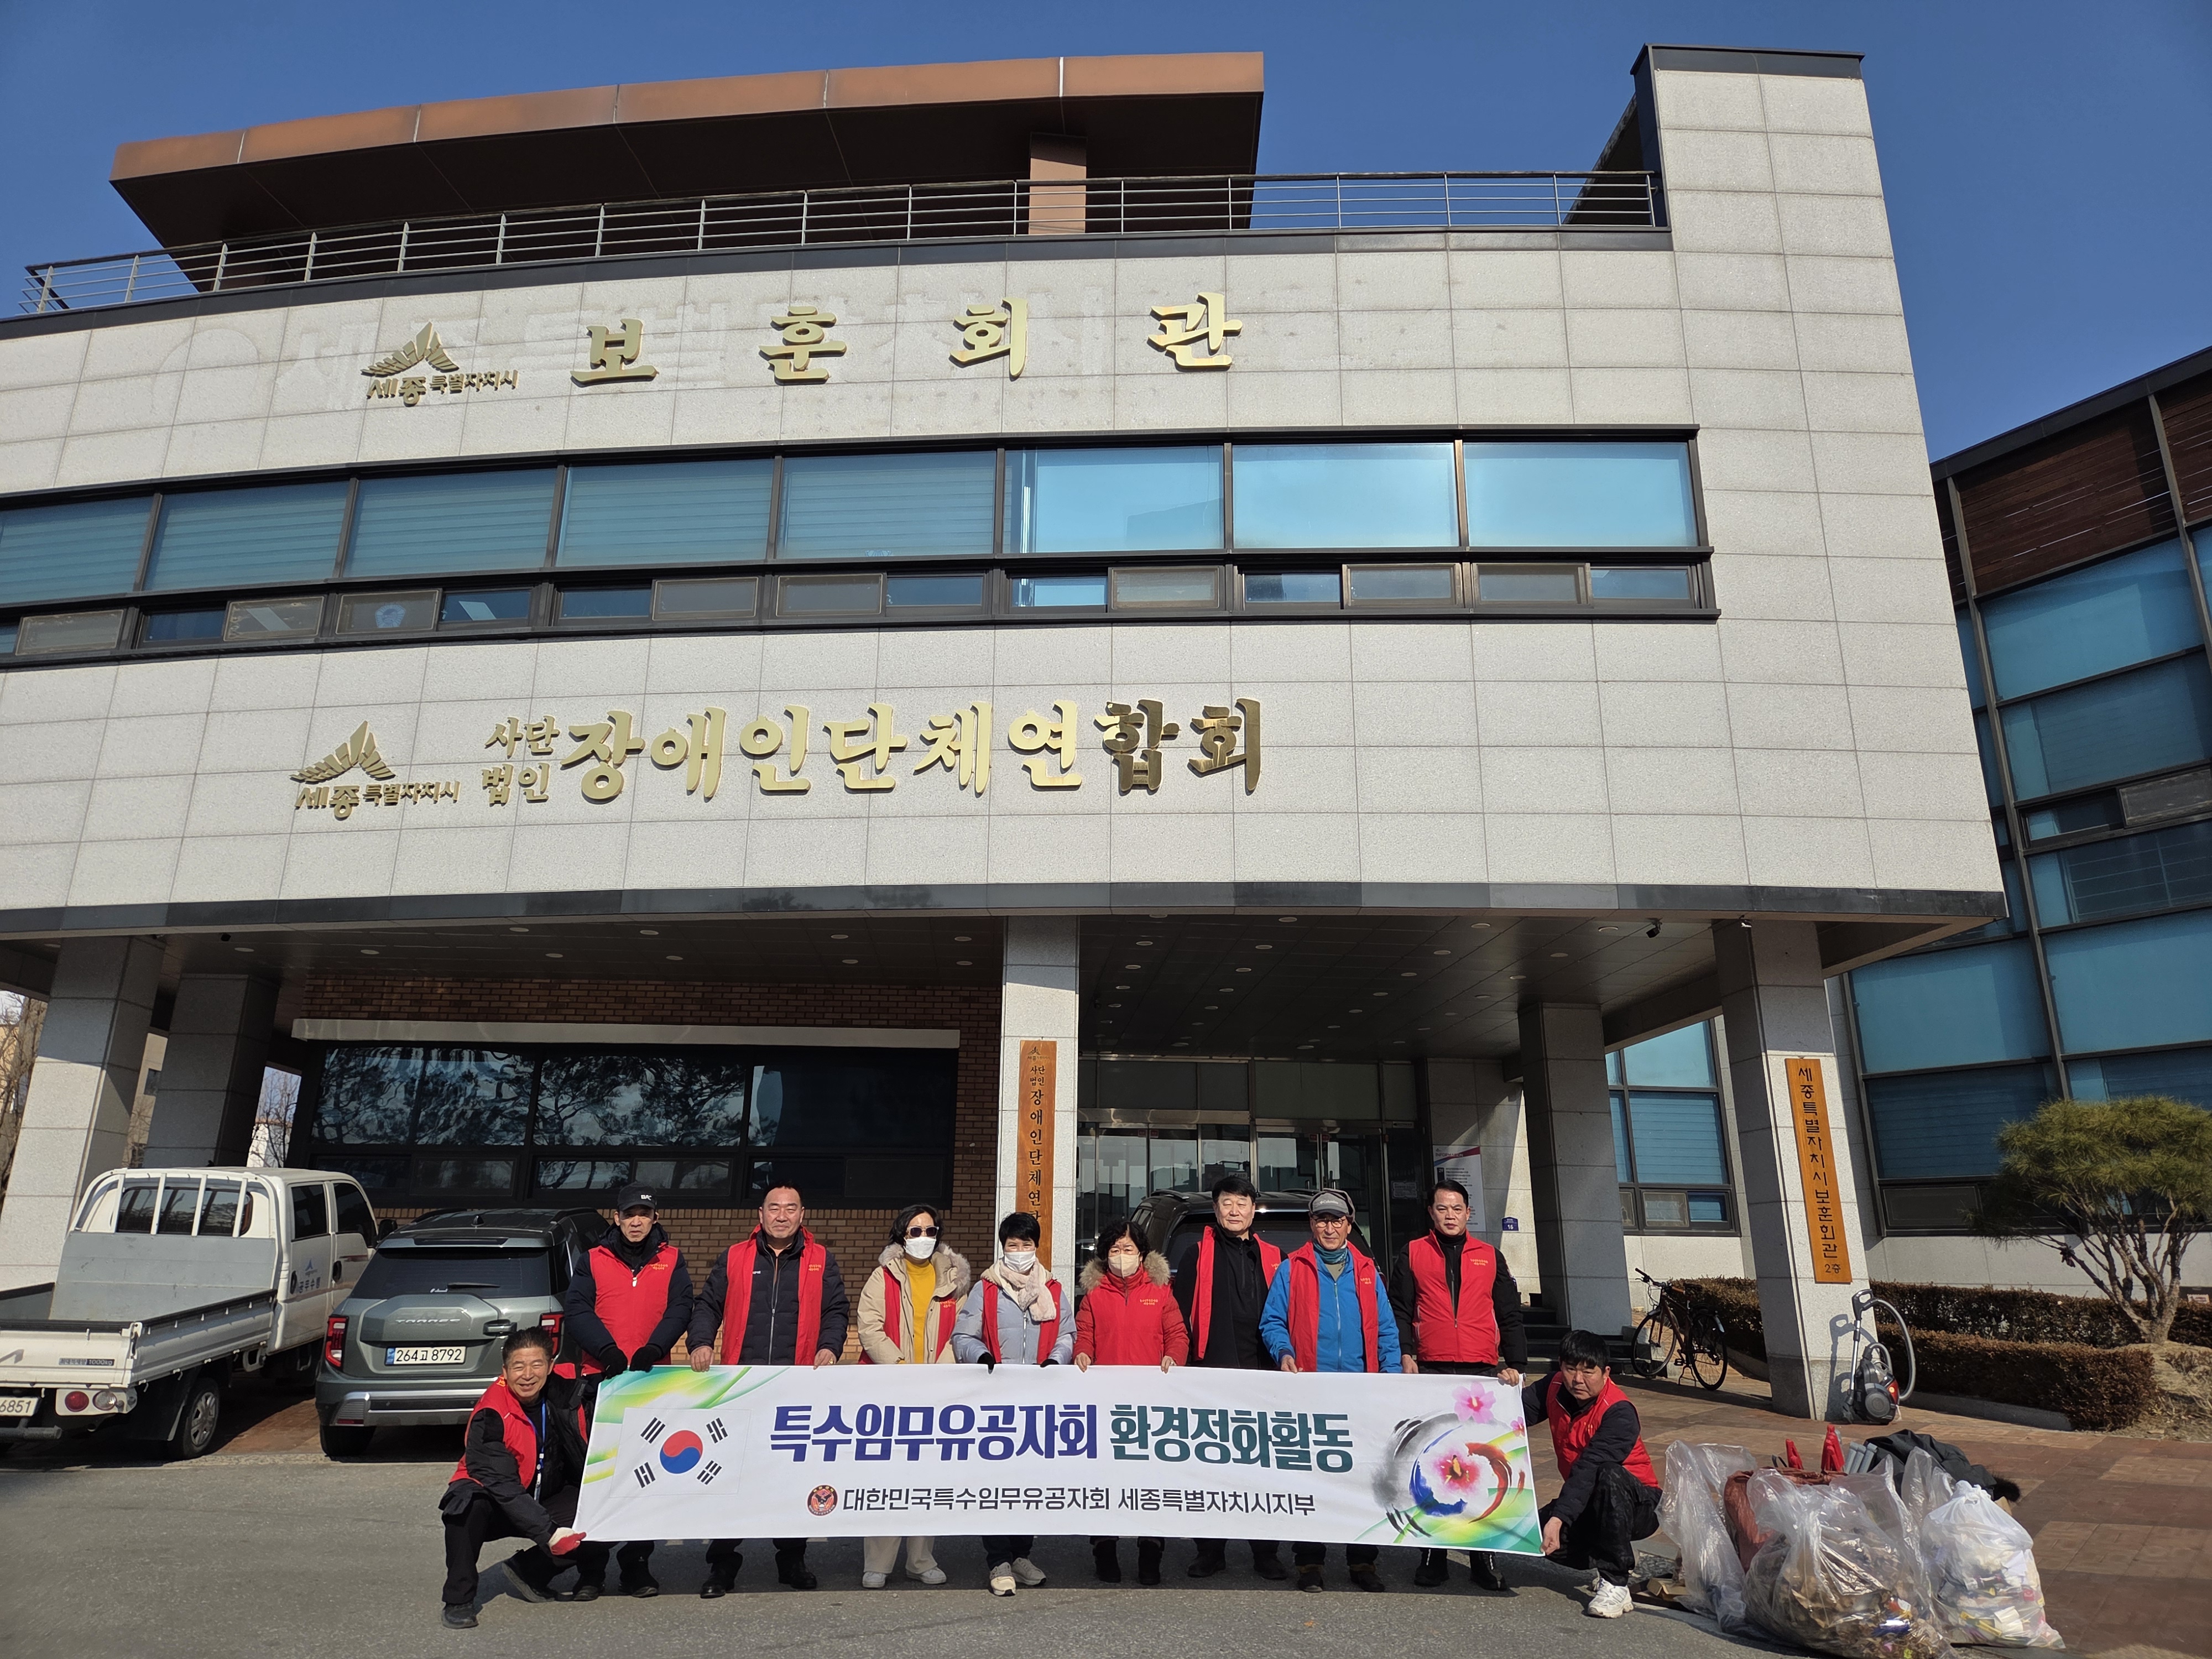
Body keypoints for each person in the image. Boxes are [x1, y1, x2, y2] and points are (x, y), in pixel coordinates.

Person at [687, 1181, 851, 1597]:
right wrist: (701, 1342)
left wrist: (831, 1346)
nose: (782, 1215)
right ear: (760, 1215)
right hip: (741, 1387)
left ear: (802, 1215)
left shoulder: (821, 1260)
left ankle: (792, 1560)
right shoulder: (735, 1257)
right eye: (774, 1208)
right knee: (731, 1477)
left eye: (790, 1208)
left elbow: (836, 1310)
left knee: (791, 1476)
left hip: (796, 1387)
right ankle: (722, 1564)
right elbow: (708, 1305)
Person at [1259, 1187, 1402, 1593]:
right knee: (1312, 1479)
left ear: (1349, 1225)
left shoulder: (1367, 1271)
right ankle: (1310, 1562)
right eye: (1322, 1220)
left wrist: (1392, 1376)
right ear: (1312, 1224)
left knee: (1364, 1478)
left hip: (1361, 1391)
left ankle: (1363, 1561)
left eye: (1337, 1220)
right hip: (1312, 1390)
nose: (1329, 1228)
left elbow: (1387, 1330)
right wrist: (1284, 1351)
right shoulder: (1292, 1268)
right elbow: (1272, 1322)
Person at [1387, 1177, 1525, 1593]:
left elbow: (1509, 1312)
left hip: (1480, 1373)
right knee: (1432, 1462)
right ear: (1431, 1212)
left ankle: (1485, 1556)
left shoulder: (1490, 1256)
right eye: (1442, 1208)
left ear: (1469, 1213)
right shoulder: (1413, 1252)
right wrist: (1405, 1353)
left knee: (1483, 1462)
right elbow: (1399, 1308)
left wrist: (1516, 1363)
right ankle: (1433, 1555)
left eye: (1457, 1209)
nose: (1450, 1215)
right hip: (1430, 1369)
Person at [562, 1180, 694, 1600]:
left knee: (644, 1478)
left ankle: (636, 1568)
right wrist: (606, 1351)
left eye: (644, 1214)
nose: (636, 1222)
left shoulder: (671, 1259)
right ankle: (590, 1571)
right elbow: (577, 1309)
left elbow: (681, 1308)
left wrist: (656, 1347)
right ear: (616, 1218)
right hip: (602, 1382)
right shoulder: (593, 1259)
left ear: (656, 1218)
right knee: (598, 1480)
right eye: (629, 1214)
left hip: (651, 1383)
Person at [1170, 1172, 1288, 1583]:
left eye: (1242, 1203)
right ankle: (1210, 1551)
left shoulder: (1274, 1256)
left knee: (1264, 1465)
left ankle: (1266, 1552)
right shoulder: (1197, 1254)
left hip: (1264, 1371)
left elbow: (1288, 1313)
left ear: (1254, 1210)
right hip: (1212, 1370)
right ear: (1216, 1208)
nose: (1235, 1210)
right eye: (1227, 1203)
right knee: (1212, 1463)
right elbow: (1179, 1316)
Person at [952, 1211, 1073, 1596]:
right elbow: (962, 1336)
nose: (1019, 1251)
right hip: (996, 1401)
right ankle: (999, 1560)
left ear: (1037, 1247)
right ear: (1003, 1247)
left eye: (1026, 1244)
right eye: (1013, 1245)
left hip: (1038, 1400)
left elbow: (1067, 1334)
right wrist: (981, 1357)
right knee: (997, 1482)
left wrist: (1057, 1360)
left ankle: (1022, 1554)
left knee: (1031, 1481)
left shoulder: (1052, 1289)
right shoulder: (987, 1288)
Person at [854, 1202, 972, 1590]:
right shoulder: (883, 1275)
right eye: (915, 1231)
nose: (923, 1238)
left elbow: (962, 1332)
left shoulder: (955, 1279)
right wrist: (901, 1367)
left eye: (930, 1231)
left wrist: (939, 1372)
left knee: (928, 1478)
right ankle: (878, 1562)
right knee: (887, 1476)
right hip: (891, 1387)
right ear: (901, 1236)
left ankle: (921, 1560)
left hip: (937, 1390)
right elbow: (869, 1328)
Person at [437, 1328, 589, 1628]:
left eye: (536, 1365)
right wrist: (550, 1534)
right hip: (496, 1499)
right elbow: (503, 1486)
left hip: (545, 1492)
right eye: (519, 1367)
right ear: (505, 1371)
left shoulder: (566, 1391)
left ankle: (530, 1571)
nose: (528, 1375)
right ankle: (458, 1599)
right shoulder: (491, 1413)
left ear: (550, 1366)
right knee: (464, 1507)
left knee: (601, 1512)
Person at [1519, 1328, 1662, 1619]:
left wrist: (1560, 1518)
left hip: (1640, 1505)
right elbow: (1512, 1413)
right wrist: (1505, 1385)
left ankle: (1616, 1582)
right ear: (1560, 1366)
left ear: (1606, 1373)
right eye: (1570, 1369)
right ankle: (1613, 1551)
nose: (1578, 1379)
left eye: (1588, 1371)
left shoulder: (1619, 1412)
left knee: (1608, 1474)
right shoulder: (1553, 1387)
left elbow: (1590, 1469)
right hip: (1590, 1500)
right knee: (1530, 1536)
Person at [1074, 1219, 1188, 1585]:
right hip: (1104, 1402)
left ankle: (1151, 1550)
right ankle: (1104, 1549)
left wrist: (1174, 1356)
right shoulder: (1094, 1295)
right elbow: (1084, 1335)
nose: (1121, 1256)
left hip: (1152, 1403)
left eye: (1128, 1249)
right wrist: (1082, 1354)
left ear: (1142, 1254)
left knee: (1151, 1479)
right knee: (1104, 1478)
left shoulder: (1161, 1291)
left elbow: (1177, 1334)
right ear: (1104, 1255)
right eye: (1114, 1250)